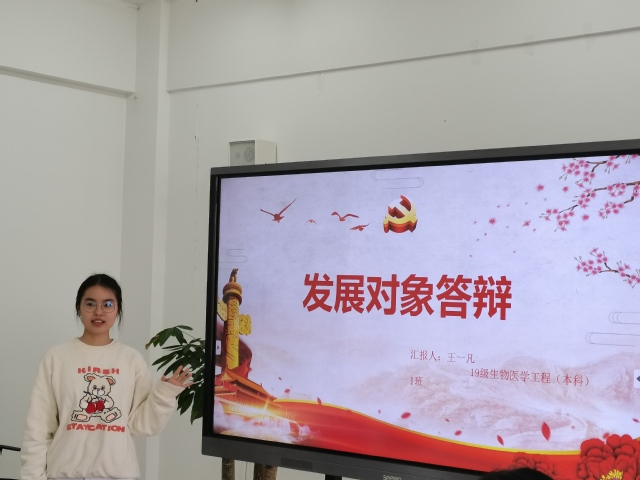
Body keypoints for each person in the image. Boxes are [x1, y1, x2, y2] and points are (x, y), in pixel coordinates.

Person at [20, 273, 193, 480]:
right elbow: (38, 427)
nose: (99, 311)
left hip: (118, 475)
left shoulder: (131, 359)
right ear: (78, 308)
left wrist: (165, 393)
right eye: (90, 304)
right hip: (64, 475)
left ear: (118, 309)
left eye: (108, 304)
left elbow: (142, 424)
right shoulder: (56, 357)